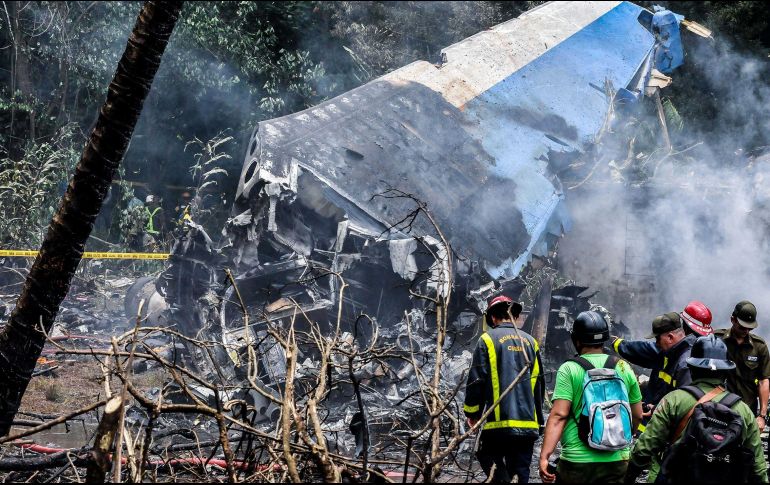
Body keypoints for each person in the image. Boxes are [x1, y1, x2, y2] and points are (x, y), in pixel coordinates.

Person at [624, 335, 769, 483]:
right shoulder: (743, 410)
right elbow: (758, 466)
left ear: (692, 368)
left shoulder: (673, 400)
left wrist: (628, 477)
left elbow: (644, 448)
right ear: (726, 372)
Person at [539, 311, 643, 484]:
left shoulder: (569, 369)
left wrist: (544, 456)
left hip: (577, 462)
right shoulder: (623, 367)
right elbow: (638, 414)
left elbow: (559, 415)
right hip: (617, 461)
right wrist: (622, 436)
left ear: (576, 340)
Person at [463, 295, 544, 483]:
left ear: (492, 318)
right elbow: (538, 386)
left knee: (486, 455)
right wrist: (539, 422)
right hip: (527, 425)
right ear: (515, 316)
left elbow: (477, 380)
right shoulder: (531, 342)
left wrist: (472, 413)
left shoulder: (487, 340)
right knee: (520, 473)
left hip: (498, 425)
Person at [612, 312, 696, 418]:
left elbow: (685, 404)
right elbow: (640, 350)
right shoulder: (669, 353)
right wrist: (616, 343)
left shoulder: (685, 364)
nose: (656, 344)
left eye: (657, 339)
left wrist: (657, 409)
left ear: (670, 337)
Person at [714, 300, 770, 428]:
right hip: (718, 410)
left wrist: (761, 416)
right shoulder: (717, 340)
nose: (746, 330)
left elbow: (763, 381)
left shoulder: (759, 347)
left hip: (747, 411)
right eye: (742, 326)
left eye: (749, 328)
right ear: (733, 320)